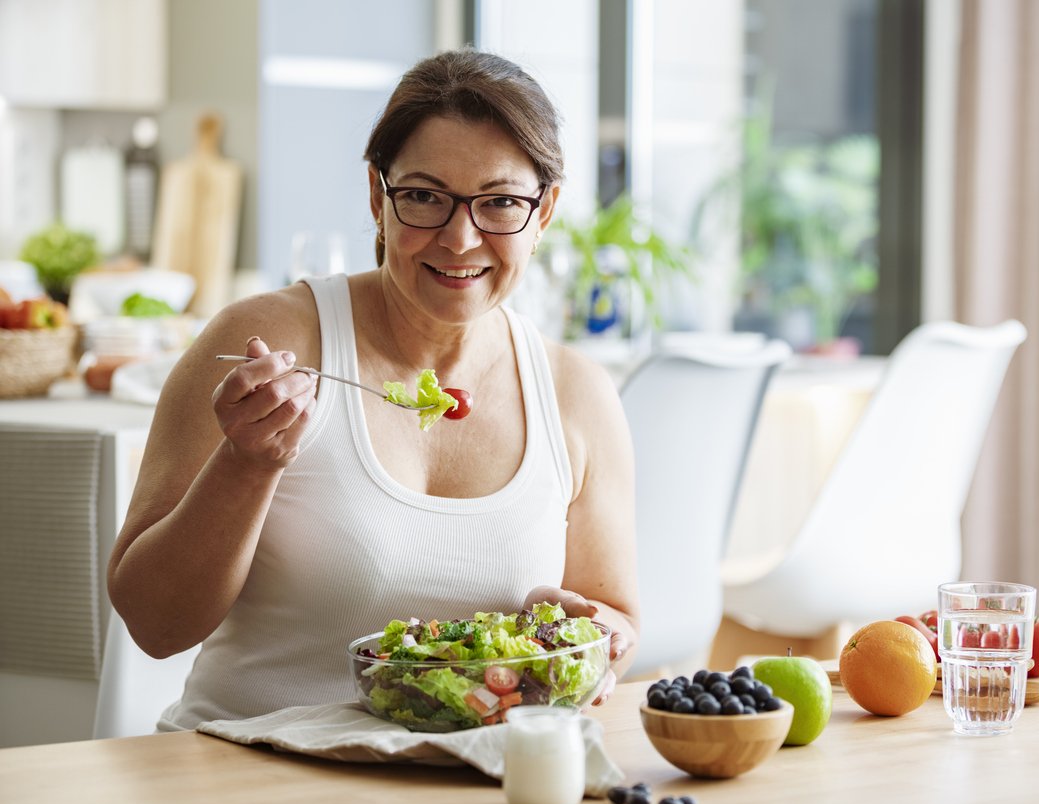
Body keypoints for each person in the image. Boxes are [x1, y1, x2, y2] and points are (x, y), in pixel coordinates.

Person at [107, 48, 640, 730]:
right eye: (423, 197)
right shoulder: (266, 343)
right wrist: (246, 464)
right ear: (375, 197)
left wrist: (584, 638)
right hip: (246, 771)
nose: (458, 237)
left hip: (470, 789)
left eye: (500, 202)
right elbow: (155, 624)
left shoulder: (577, 393)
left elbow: (613, 623)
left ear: (544, 213)